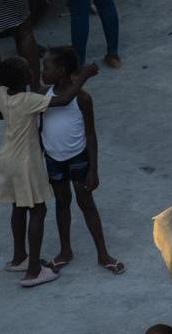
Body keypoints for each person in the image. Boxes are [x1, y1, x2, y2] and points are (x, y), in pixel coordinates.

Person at [0, 56, 98, 289]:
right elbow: (63, 99)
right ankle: (34, 270)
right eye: (30, 70)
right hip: (26, 162)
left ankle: (19, 258)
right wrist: (84, 76)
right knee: (38, 210)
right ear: (26, 78)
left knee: (18, 206)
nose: (35, 72)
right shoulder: (29, 100)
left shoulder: (2, 93)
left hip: (8, 158)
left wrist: (9, 113)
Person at [38, 50, 122, 276]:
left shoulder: (83, 98)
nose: (42, 72)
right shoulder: (44, 96)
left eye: (46, 68)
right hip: (54, 159)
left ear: (61, 71)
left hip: (77, 158)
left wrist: (93, 169)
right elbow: (48, 119)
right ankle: (65, 251)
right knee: (62, 203)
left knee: (86, 204)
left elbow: (91, 134)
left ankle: (103, 253)